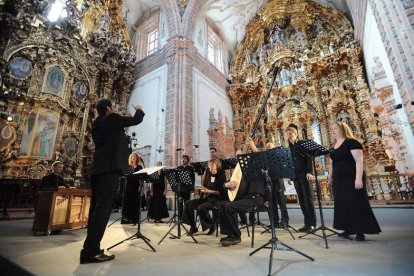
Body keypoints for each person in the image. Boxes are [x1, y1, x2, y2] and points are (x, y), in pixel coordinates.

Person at [80, 99, 144, 264]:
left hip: (97, 168)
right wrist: (138, 109)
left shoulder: (97, 123)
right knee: (102, 211)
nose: (114, 109)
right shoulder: (112, 118)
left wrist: (121, 121)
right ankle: (91, 252)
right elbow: (136, 120)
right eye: (113, 107)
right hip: (109, 169)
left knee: (95, 209)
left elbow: (111, 134)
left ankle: (89, 249)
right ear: (109, 108)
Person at [328, 122, 381, 241]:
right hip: (339, 179)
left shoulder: (351, 142)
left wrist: (358, 178)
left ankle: (359, 231)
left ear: (343, 129)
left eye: (335, 128)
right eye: (332, 128)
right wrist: (330, 176)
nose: (333, 130)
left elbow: (359, 161)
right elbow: (332, 163)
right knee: (342, 203)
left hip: (351, 177)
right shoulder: (333, 146)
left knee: (355, 202)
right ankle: (347, 229)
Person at [219, 143, 266, 247]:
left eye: (241, 156)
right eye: (237, 157)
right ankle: (230, 234)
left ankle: (236, 236)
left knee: (229, 207)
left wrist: (253, 148)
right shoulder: (238, 169)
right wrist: (226, 185)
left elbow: (263, 161)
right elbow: (232, 183)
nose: (239, 158)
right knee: (222, 205)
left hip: (256, 197)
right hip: (245, 197)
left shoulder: (255, 164)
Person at [246, 137, 289, 228]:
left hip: (278, 183)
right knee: (271, 203)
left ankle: (285, 221)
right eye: (267, 148)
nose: (268, 149)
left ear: (274, 148)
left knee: (281, 203)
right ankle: (274, 222)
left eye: (270, 147)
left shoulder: (277, 157)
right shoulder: (265, 158)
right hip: (269, 183)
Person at [286, 124, 316, 232]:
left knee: (308, 199)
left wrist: (309, 172)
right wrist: (290, 176)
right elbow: (289, 163)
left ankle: (312, 224)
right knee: (302, 200)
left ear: (296, 134)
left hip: (304, 174)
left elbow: (309, 158)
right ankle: (306, 224)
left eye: (291, 133)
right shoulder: (289, 148)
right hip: (296, 176)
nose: (289, 136)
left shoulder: (302, 144)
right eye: (288, 134)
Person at [182, 158, 224, 235]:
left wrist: (208, 191)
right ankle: (193, 227)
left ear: (217, 166)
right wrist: (198, 191)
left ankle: (211, 226)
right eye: (209, 166)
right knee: (188, 203)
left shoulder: (221, 175)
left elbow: (220, 192)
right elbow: (204, 187)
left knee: (201, 207)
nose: (210, 168)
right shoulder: (208, 174)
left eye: (212, 166)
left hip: (216, 200)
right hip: (207, 198)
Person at [121, 152, 143, 224]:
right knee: (128, 201)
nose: (133, 157)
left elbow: (141, 178)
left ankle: (135, 219)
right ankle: (127, 218)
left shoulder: (139, 167)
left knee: (135, 202)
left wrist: (140, 186)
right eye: (132, 156)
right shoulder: (128, 167)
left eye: (134, 156)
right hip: (128, 185)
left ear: (136, 158)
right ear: (130, 158)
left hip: (136, 185)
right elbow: (125, 176)